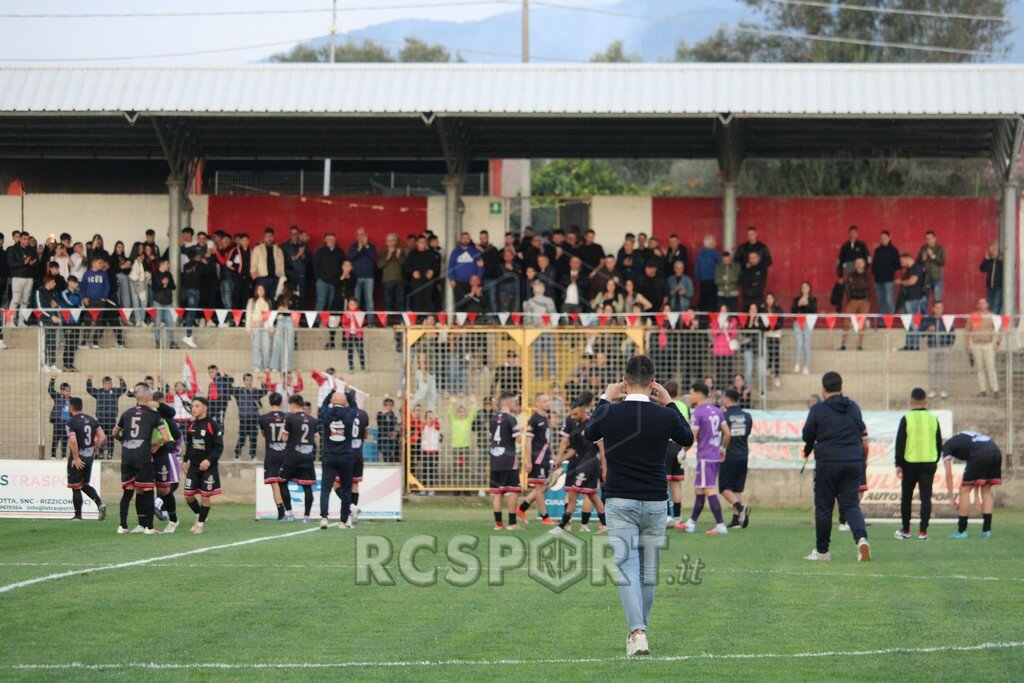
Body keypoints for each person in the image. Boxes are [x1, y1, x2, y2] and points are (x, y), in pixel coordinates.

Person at [584, 355, 692, 657]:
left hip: (620, 500)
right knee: (648, 570)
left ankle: (637, 631)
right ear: (653, 383)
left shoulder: (610, 412)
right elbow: (687, 437)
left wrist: (605, 397)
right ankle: (638, 630)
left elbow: (589, 432)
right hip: (656, 500)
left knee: (628, 566)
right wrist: (669, 403)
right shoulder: (665, 414)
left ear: (624, 380)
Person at [801, 371, 872, 562]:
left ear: (823, 389)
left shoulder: (818, 410)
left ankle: (822, 552)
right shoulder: (854, 408)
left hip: (828, 462)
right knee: (850, 504)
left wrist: (809, 447)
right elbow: (860, 431)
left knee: (824, 507)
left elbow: (807, 434)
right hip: (852, 462)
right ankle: (861, 539)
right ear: (841, 387)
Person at [112, 383, 171, 534]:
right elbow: (165, 437)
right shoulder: (153, 415)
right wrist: (157, 443)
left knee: (128, 490)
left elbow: (114, 433)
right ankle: (149, 528)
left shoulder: (126, 413)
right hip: (143, 455)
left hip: (127, 455)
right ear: (150, 397)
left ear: (137, 398)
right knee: (147, 489)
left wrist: (124, 441)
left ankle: (123, 526)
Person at [549, 391, 607, 534]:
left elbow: (602, 448)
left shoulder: (592, 424)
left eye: (575, 414)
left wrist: (605, 469)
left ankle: (562, 526)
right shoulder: (577, 425)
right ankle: (606, 524)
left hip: (590, 464)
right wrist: (559, 460)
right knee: (593, 495)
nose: (572, 417)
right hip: (583, 463)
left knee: (573, 494)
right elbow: (574, 450)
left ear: (583, 411)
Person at [678, 382, 731, 535]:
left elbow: (692, 437)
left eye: (692, 392)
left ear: (698, 394)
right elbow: (727, 433)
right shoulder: (717, 411)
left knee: (708, 489)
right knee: (699, 489)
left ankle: (720, 525)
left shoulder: (698, 412)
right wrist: (722, 448)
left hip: (705, 457)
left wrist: (683, 451)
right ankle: (691, 523)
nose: (690, 396)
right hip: (714, 456)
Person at [893, 388, 942, 541]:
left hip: (910, 462)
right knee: (926, 498)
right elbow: (939, 442)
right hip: (928, 462)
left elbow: (900, 442)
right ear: (925, 401)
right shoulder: (933, 418)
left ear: (910, 401)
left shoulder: (906, 418)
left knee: (906, 497)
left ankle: (906, 530)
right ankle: (923, 532)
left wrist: (898, 463)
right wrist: (935, 459)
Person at [942, 431, 1002, 539]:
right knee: (986, 491)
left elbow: (949, 475)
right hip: (996, 451)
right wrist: (976, 497)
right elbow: (977, 476)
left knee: (964, 490)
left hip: (980, 454)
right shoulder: (962, 437)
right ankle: (986, 531)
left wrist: (951, 497)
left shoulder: (946, 447)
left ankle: (961, 531)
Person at [182, 397, 224, 534]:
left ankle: (199, 525)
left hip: (209, 468)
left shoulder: (212, 424)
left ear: (204, 408)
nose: (194, 408)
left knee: (205, 496)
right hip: (193, 467)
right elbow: (189, 445)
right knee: (188, 495)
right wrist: (185, 460)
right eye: (193, 406)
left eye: (197, 406)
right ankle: (201, 515)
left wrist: (209, 461)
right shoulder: (191, 426)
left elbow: (219, 447)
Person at [318, 385, 359, 530]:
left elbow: (322, 406)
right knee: (346, 489)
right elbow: (355, 406)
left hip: (329, 455)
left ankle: (324, 517)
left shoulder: (326, 413)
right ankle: (343, 521)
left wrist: (331, 393)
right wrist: (348, 393)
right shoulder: (349, 414)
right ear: (344, 402)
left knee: (325, 488)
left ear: (332, 401)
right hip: (345, 456)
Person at [65, 397, 107, 521]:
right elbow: (102, 436)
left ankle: (78, 516)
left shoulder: (71, 422)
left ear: (72, 408)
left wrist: (76, 458)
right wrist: (95, 449)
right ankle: (100, 503)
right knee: (83, 484)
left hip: (78, 458)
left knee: (76, 486)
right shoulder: (92, 420)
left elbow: (73, 441)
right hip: (89, 458)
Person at [516, 392, 555, 525]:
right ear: (537, 403)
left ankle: (521, 509)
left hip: (545, 457)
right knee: (540, 489)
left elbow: (546, 440)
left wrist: (552, 454)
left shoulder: (547, 417)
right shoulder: (534, 419)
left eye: (549, 400)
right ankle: (545, 517)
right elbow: (528, 441)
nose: (548, 403)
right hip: (537, 458)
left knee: (543, 487)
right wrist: (527, 460)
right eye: (545, 401)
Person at [280, 395, 318, 522]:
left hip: (293, 456)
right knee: (307, 486)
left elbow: (284, 438)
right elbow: (317, 439)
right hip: (307, 456)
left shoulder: (290, 418)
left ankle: (289, 513)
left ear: (293, 404)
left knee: (282, 481)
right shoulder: (312, 419)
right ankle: (307, 517)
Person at [487, 391, 522, 530]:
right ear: (508, 402)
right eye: (514, 401)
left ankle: (498, 524)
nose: (515, 404)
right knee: (514, 491)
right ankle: (512, 523)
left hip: (495, 459)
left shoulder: (493, 419)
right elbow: (518, 439)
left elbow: (491, 438)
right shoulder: (510, 418)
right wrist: (521, 432)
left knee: (498, 492)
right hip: (508, 459)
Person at [149, 392, 182, 532]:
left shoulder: (156, 411)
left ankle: (162, 510)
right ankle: (158, 505)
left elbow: (171, 413)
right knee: (171, 483)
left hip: (159, 450)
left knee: (162, 485)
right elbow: (176, 432)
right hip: (165, 451)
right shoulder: (157, 413)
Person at [721, 388, 753, 529]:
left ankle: (740, 509)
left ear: (727, 400)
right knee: (737, 488)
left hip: (729, 454)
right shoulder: (747, 416)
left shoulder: (724, 416)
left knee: (724, 487)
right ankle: (736, 520)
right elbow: (747, 433)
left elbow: (722, 433)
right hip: (743, 454)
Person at [259, 392, 292, 521]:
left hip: (271, 454)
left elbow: (263, 433)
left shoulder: (263, 418)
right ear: (282, 402)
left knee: (275, 483)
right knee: (284, 483)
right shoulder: (288, 417)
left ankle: (281, 511)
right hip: (286, 453)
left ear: (269, 402)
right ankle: (290, 510)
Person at [662, 381, 690, 528]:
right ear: (678, 391)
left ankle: (666, 517)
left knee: (664, 484)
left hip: (667, 446)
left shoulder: (664, 406)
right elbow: (687, 426)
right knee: (676, 485)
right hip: (679, 446)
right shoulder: (684, 407)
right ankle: (678, 517)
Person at [965, 298, 1000, 398]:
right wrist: (967, 345)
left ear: (987, 305)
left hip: (988, 344)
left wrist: (997, 342)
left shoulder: (992, 316)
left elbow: (999, 329)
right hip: (976, 344)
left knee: (990, 367)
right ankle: (982, 390)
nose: (981, 305)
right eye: (979, 303)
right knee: (979, 368)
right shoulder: (973, 316)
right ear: (978, 305)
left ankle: (995, 390)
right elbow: (967, 331)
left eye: (983, 303)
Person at [86, 374, 126, 460]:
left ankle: (110, 453)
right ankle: (100, 453)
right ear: (103, 384)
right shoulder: (99, 392)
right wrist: (89, 380)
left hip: (111, 419)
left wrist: (121, 379)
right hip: (101, 419)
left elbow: (123, 389)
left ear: (111, 384)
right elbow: (89, 389)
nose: (107, 385)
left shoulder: (115, 392)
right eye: (105, 383)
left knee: (111, 436)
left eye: (109, 383)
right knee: (101, 436)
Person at [920, 302, 954, 399]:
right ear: (933, 309)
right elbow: (920, 332)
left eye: (941, 308)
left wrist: (949, 345)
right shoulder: (928, 319)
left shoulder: (947, 320)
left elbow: (952, 333)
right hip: (932, 347)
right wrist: (927, 329)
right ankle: (933, 390)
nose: (939, 310)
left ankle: (943, 390)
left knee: (943, 370)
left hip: (944, 347)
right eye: (937, 308)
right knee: (932, 370)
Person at [839, 257, 873, 351]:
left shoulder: (868, 276)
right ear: (855, 265)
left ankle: (859, 345)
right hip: (853, 300)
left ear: (864, 264)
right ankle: (843, 344)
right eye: (857, 263)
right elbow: (848, 288)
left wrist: (857, 288)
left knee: (861, 324)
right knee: (846, 322)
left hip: (864, 301)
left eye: (860, 263)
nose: (858, 265)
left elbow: (867, 287)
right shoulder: (851, 275)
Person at [230, 373, 266, 460]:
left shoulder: (255, 391)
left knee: (253, 438)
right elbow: (229, 389)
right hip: (244, 419)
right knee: (242, 438)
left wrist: (262, 383)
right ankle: (237, 455)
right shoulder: (239, 391)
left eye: (250, 380)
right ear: (244, 381)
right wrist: (229, 377)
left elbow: (265, 391)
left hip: (254, 418)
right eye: (247, 380)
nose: (249, 382)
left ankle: (253, 456)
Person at [896, 252, 927, 351]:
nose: (901, 264)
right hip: (907, 299)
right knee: (907, 324)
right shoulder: (909, 270)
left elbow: (912, 281)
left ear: (906, 258)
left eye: (902, 261)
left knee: (914, 323)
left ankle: (914, 345)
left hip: (913, 299)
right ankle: (909, 344)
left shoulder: (916, 268)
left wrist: (901, 282)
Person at [377, 232, 407, 323]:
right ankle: (389, 322)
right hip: (387, 280)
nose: (390, 242)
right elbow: (379, 265)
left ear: (396, 241)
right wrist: (388, 257)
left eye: (393, 240)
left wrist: (398, 256)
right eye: (388, 240)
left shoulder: (401, 251)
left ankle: (400, 321)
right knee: (387, 302)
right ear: (386, 242)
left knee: (400, 302)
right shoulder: (383, 252)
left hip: (399, 280)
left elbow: (404, 264)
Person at [250, 227, 285, 301]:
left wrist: (283, 278)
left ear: (273, 237)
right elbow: (253, 262)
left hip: (276, 278)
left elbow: (282, 265)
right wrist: (253, 272)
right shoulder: (258, 248)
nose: (269, 238)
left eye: (271, 236)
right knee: (261, 299)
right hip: (262, 278)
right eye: (267, 236)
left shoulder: (278, 250)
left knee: (273, 299)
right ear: (264, 237)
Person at [871, 231, 900, 314]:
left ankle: (890, 321)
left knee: (889, 300)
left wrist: (889, 270)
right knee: (880, 301)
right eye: (881, 238)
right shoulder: (877, 251)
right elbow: (874, 263)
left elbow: (898, 265)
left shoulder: (894, 250)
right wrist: (874, 272)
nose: (883, 239)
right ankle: (881, 322)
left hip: (889, 279)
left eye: (885, 238)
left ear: (889, 238)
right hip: (878, 280)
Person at [246, 283, 273, 371]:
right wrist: (248, 329)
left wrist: (271, 328)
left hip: (265, 326)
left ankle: (266, 366)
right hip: (255, 325)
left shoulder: (268, 301)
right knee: (256, 347)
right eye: (259, 289)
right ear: (256, 291)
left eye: (262, 289)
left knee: (266, 347)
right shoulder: (252, 301)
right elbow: (248, 315)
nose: (261, 291)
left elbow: (270, 316)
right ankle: (257, 366)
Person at [791, 281, 817, 375]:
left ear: (809, 289)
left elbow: (814, 309)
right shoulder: (796, 299)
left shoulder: (812, 299)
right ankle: (797, 363)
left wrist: (807, 304)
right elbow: (792, 310)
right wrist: (799, 304)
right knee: (799, 343)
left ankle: (806, 366)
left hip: (808, 323)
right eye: (802, 287)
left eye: (806, 287)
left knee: (806, 344)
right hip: (798, 322)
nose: (804, 289)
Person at [47, 374, 71, 460]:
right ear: (61, 391)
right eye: (66, 391)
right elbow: (50, 390)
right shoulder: (57, 396)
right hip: (58, 422)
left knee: (65, 439)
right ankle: (53, 455)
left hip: (66, 423)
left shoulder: (71, 400)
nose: (68, 392)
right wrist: (52, 379)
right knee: (55, 439)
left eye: (69, 391)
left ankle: (64, 455)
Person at [917, 231, 946, 303]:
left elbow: (942, 262)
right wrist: (922, 259)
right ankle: (924, 314)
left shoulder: (940, 248)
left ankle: (936, 314)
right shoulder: (923, 248)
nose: (928, 240)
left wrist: (932, 256)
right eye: (927, 238)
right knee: (923, 300)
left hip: (936, 277)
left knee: (937, 299)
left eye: (930, 238)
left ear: (935, 238)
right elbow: (917, 262)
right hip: (925, 277)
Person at [694, 235, 721, 311]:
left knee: (703, 301)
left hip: (703, 282)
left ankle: (701, 319)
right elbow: (721, 265)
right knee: (714, 303)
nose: (715, 244)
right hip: (714, 282)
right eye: (714, 242)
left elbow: (697, 270)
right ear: (710, 243)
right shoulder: (715, 253)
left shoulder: (700, 254)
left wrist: (701, 279)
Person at [376, 397, 400, 464]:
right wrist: (383, 414)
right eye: (387, 405)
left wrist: (396, 432)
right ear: (384, 405)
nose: (389, 407)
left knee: (395, 454)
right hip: (384, 439)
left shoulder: (393, 415)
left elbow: (396, 425)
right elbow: (380, 423)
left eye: (391, 405)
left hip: (393, 440)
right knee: (386, 454)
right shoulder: (380, 414)